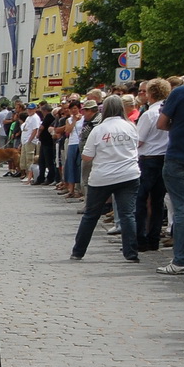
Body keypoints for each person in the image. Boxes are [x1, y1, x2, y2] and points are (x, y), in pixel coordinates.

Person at [71, 96, 142, 263]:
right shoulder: (131, 126)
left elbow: (87, 156)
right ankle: (131, 253)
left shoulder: (99, 129)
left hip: (103, 176)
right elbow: (136, 146)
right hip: (129, 174)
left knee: (90, 215)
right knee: (127, 215)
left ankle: (78, 251)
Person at [155, 52, 184, 276]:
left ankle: (181, 259)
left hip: (179, 155)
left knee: (181, 208)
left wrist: (178, 125)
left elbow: (161, 124)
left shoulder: (180, 92)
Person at [136, 79, 170, 255]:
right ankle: (153, 239)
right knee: (157, 201)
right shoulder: (169, 111)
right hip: (165, 158)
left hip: (148, 158)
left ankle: (140, 239)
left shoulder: (149, 114)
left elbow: (139, 140)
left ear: (151, 94)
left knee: (140, 199)